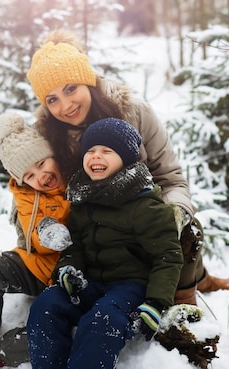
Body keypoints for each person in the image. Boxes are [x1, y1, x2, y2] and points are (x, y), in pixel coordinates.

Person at [26, 29, 229, 305]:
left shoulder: (133, 111)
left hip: (141, 217)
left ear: (87, 81)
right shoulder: (49, 136)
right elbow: (32, 188)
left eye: (70, 89)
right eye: (52, 100)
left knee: (184, 226)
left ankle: (188, 291)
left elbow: (170, 177)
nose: (66, 106)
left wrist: (172, 215)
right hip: (92, 232)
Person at [27, 118, 184, 369]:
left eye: (106, 151)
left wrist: (156, 302)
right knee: (47, 305)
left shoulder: (145, 204)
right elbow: (75, 245)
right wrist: (67, 270)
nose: (95, 156)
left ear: (125, 158)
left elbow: (167, 257)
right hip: (90, 282)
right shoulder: (82, 196)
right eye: (90, 151)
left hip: (130, 285)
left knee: (103, 319)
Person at [0, 111, 72, 369]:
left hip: (71, 277)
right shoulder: (26, 194)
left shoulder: (78, 180)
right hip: (37, 265)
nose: (40, 177)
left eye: (42, 164)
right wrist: (47, 230)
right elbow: (34, 238)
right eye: (29, 175)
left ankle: (7, 351)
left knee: (46, 332)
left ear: (53, 154)